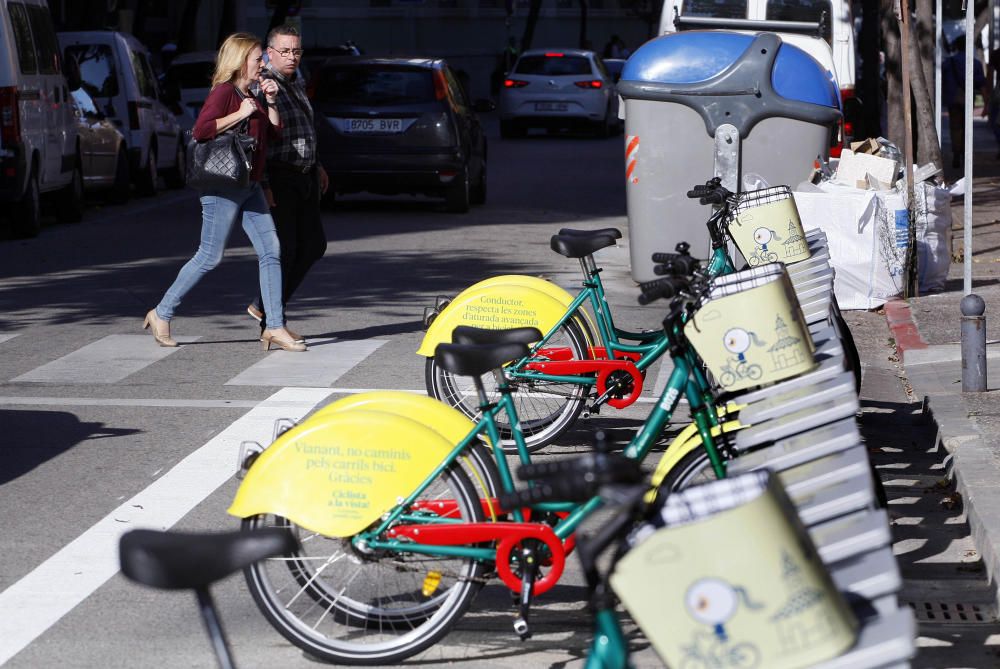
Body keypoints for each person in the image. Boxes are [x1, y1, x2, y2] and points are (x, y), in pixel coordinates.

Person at [144, 32, 306, 353]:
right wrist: (241, 114)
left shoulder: (254, 93)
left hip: (249, 185)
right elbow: (202, 129)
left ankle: (274, 325)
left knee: (272, 250)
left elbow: (273, 133)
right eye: (257, 59)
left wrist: (270, 102)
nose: (262, 64)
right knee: (209, 256)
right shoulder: (224, 92)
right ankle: (161, 313)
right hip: (222, 186)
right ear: (240, 61)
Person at [245, 24, 329, 342]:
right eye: (285, 51)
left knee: (313, 245)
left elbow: (305, 127)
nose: (292, 56)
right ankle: (271, 319)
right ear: (269, 53)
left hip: (304, 174)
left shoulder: (296, 80)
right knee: (287, 249)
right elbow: (259, 140)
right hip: (279, 176)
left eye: (296, 50)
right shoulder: (265, 85)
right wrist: (264, 183)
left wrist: (317, 165)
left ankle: (265, 308)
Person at [942, 35, 989, 168]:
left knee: (955, 127)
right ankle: (964, 153)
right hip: (967, 99)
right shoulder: (975, 63)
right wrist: (986, 104)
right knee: (967, 128)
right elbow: (982, 84)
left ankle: (957, 153)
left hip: (952, 99)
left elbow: (941, 82)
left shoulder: (948, 62)